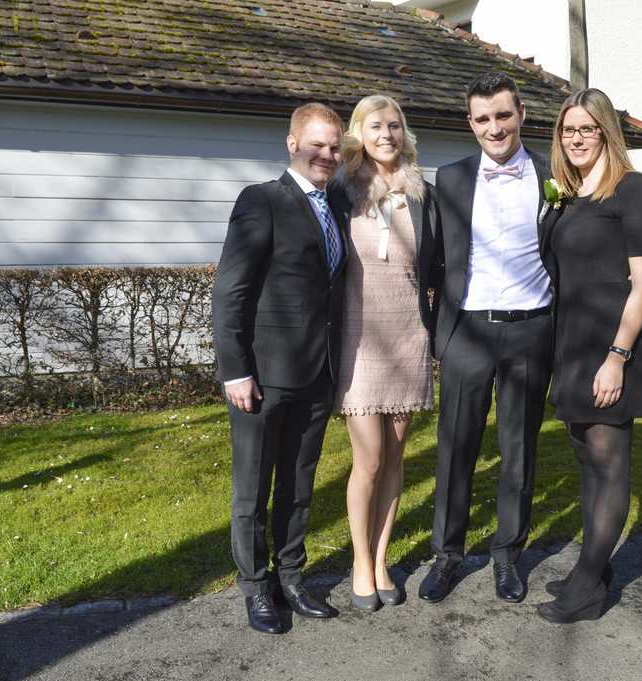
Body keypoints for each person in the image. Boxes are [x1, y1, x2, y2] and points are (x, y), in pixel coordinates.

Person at [420, 72, 559, 604]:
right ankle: (447, 555)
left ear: (521, 114)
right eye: (482, 119)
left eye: (503, 115)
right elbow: (433, 258)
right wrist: (439, 331)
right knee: (455, 447)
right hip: (467, 330)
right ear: (470, 123)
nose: (494, 128)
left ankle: (507, 556)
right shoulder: (450, 178)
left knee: (518, 450)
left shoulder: (554, 176)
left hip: (531, 330)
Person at [212, 102, 347, 635]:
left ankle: (291, 578)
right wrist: (235, 371)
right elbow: (231, 290)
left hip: (317, 373)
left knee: (298, 484)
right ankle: (255, 586)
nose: (327, 155)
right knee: (252, 489)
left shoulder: (336, 206)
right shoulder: (262, 199)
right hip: (263, 377)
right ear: (293, 144)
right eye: (317, 145)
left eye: (335, 146)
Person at [537, 88, 642, 624]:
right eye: (568, 129)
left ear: (606, 132)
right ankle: (590, 570)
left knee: (609, 465)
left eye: (587, 129)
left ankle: (588, 586)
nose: (576, 138)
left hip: (612, 343)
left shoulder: (631, 189)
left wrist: (617, 356)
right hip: (573, 340)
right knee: (587, 461)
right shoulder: (569, 193)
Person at [330, 95, 441, 612]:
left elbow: (440, 265)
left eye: (395, 125)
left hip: (409, 336)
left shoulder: (423, 193)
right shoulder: (339, 191)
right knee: (369, 459)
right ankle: (359, 561)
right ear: (359, 133)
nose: (387, 134)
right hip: (359, 338)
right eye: (375, 126)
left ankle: (380, 560)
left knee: (395, 457)